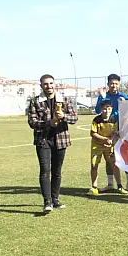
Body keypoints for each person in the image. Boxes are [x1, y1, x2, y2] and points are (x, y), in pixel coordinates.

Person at [26, 74, 78, 213]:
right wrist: (48, 123)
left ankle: (55, 200)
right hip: (43, 140)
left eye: (50, 83)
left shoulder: (64, 100)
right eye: (45, 84)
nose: (48, 86)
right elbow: (32, 122)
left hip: (60, 140)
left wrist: (64, 117)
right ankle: (47, 202)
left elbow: (74, 118)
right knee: (45, 171)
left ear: (54, 84)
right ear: (41, 86)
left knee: (57, 171)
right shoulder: (35, 101)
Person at [88, 100, 127, 196]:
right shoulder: (96, 120)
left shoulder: (114, 120)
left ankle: (120, 186)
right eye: (104, 108)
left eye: (108, 108)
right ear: (101, 109)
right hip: (97, 146)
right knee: (94, 166)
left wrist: (111, 139)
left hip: (109, 147)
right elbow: (93, 133)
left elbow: (114, 132)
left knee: (114, 165)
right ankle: (94, 187)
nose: (106, 111)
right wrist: (105, 139)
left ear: (111, 109)